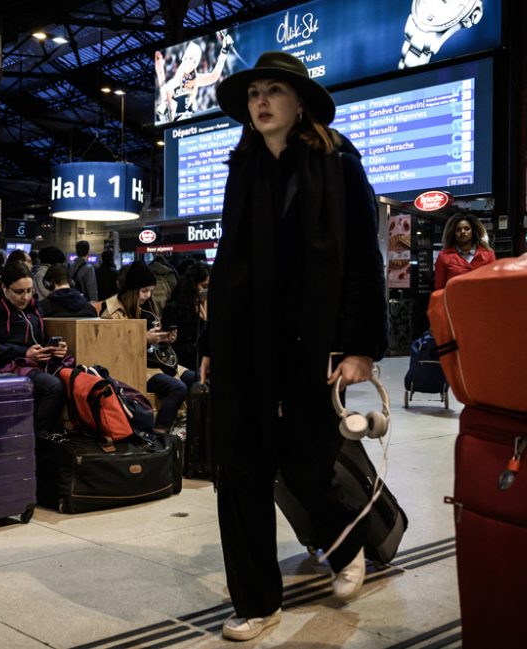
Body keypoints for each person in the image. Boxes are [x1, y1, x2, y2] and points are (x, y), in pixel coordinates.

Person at [208, 51, 389, 641]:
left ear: (299, 102)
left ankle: (347, 538)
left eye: (274, 92)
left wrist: (362, 345)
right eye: (254, 93)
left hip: (310, 340)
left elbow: (364, 259)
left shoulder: (337, 164)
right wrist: (211, 340)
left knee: (306, 462)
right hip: (245, 340)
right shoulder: (244, 166)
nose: (261, 102)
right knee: (239, 470)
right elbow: (227, 260)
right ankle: (257, 602)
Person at [0, 261, 67, 435]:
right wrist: (24, 353)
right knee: (53, 386)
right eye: (19, 291)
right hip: (6, 366)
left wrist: (54, 349)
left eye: (30, 291)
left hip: (34, 364)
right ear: (4, 288)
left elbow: (38, 340)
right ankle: (37, 443)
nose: (26, 297)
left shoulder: (33, 307)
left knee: (72, 378)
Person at [100, 262, 196, 434]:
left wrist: (164, 340)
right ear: (132, 289)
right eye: (144, 290)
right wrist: (144, 339)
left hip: (152, 362)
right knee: (177, 388)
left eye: (150, 290)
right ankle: (160, 434)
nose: (148, 295)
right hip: (131, 368)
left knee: (193, 379)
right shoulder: (110, 313)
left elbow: (152, 343)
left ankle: (191, 432)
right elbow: (112, 349)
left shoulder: (144, 310)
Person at [155, 32, 234, 124]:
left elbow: (214, 76)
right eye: (190, 58)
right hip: (177, 127)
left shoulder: (196, 80)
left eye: (195, 62)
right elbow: (165, 106)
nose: (191, 64)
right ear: (185, 58)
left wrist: (224, 51)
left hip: (191, 124)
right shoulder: (172, 84)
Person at [160, 262, 210, 371]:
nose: (207, 292)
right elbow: (175, 347)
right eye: (204, 286)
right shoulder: (174, 308)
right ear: (192, 285)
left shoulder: (207, 305)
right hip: (186, 364)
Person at [434, 212, 496, 290]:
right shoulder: (443, 257)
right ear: (453, 233)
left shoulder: (488, 255)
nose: (463, 232)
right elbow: (440, 288)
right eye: (458, 229)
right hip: (455, 301)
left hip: (481, 300)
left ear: (473, 231)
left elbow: (493, 284)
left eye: (467, 229)